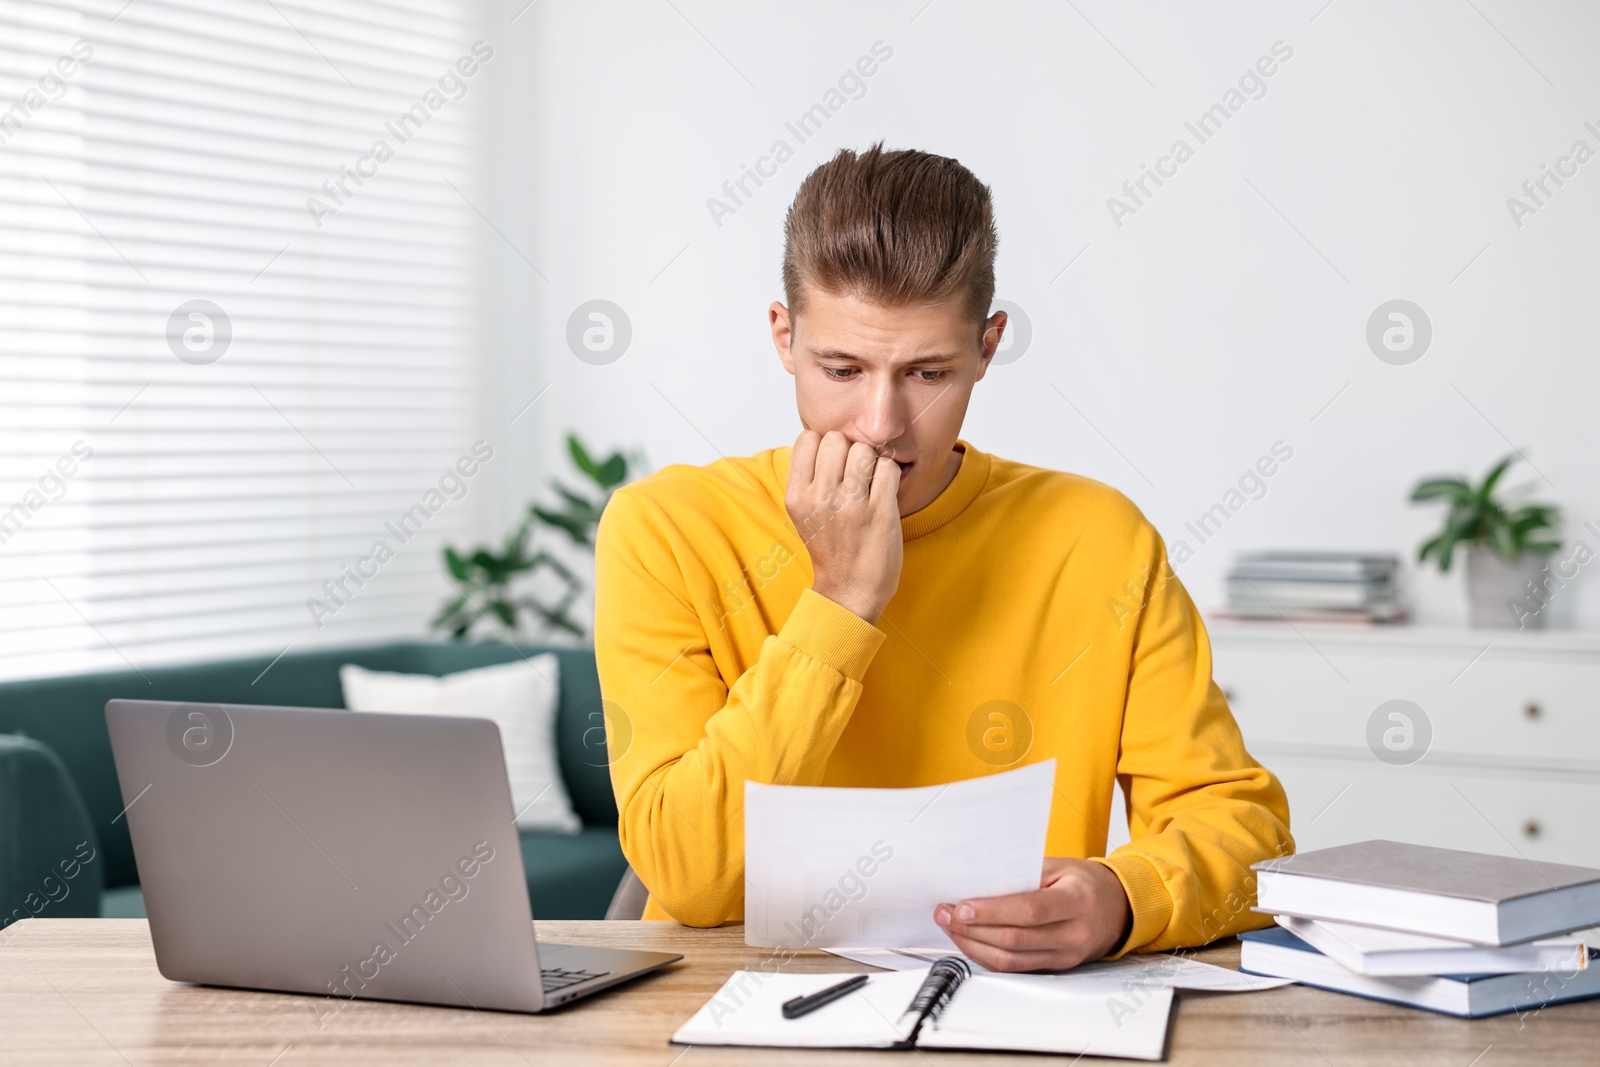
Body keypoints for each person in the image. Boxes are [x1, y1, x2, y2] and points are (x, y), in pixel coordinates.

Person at [594, 142, 1292, 971]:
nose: (881, 422)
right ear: (784, 337)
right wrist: (841, 604)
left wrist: (1123, 896)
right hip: (726, 1006)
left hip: (1005, 1009)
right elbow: (689, 873)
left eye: (927, 371)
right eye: (842, 368)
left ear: (988, 348)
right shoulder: (665, 529)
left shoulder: (1100, 539)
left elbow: (1248, 838)